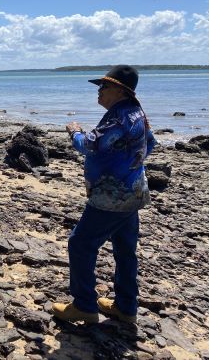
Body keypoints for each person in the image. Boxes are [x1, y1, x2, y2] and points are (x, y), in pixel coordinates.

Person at [52, 65, 156, 325]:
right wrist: (131, 163)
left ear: (120, 91)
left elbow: (90, 145)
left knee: (80, 244)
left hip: (111, 196)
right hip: (133, 192)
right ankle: (126, 307)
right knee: (124, 250)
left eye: (104, 86)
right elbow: (150, 143)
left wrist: (74, 131)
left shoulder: (119, 117)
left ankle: (84, 305)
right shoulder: (137, 113)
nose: (99, 91)